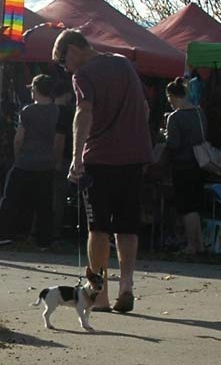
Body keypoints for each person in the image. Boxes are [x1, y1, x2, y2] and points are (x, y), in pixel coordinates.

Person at [55, 29, 151, 312]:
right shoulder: (124, 63)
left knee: (98, 228)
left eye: (63, 62)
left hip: (100, 158)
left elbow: (83, 112)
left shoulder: (83, 75)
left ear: (72, 49)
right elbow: (144, 109)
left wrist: (75, 157)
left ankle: (100, 296)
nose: (65, 68)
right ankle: (127, 286)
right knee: (127, 226)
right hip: (134, 157)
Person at [0, 74, 64, 247]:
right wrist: (55, 160)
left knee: (9, 198)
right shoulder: (58, 112)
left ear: (36, 90)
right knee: (44, 204)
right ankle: (44, 240)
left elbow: (19, 138)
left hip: (26, 161)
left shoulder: (27, 111)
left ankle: (4, 233)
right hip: (46, 162)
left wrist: (18, 157)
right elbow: (58, 140)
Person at [161, 78, 204, 257]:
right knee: (195, 206)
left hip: (182, 164)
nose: (169, 102)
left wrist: (164, 136)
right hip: (199, 163)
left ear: (172, 96)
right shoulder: (200, 113)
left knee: (186, 208)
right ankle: (200, 243)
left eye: (169, 99)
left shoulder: (175, 117)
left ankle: (191, 245)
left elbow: (174, 144)